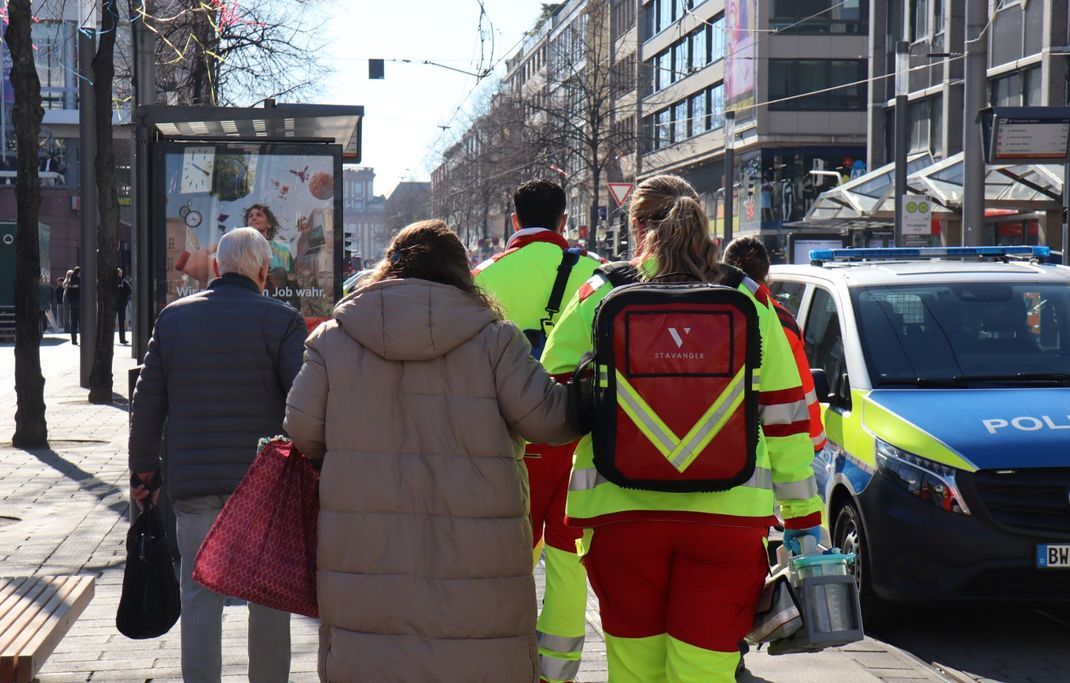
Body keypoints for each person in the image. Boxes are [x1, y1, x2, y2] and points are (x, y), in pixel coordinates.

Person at [540, 175, 823, 682]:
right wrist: (803, 520)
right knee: (703, 672)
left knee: (634, 670)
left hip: (620, 515)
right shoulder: (749, 299)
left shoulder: (601, 292)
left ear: (635, 226)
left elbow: (550, 388)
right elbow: (786, 415)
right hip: (729, 520)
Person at [284, 220, 579, 683]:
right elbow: (549, 420)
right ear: (461, 271)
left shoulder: (335, 340)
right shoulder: (496, 340)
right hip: (477, 553)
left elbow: (302, 429)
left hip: (366, 551)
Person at [128, 227, 307, 683]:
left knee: (199, 593)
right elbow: (300, 402)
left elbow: (148, 402)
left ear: (215, 267)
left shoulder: (174, 319)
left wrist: (144, 470)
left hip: (195, 486)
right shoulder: (282, 320)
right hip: (263, 488)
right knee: (268, 594)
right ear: (264, 271)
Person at [473, 179, 601, 683]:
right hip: (578, 441)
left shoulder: (482, 278)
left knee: (511, 558)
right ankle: (556, 674)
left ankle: (508, 666)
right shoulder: (595, 275)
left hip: (511, 442)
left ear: (512, 220)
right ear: (565, 221)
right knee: (570, 559)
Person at [723, 235, 826, 453]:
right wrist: (816, 440)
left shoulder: (712, 317)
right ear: (766, 275)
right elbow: (802, 391)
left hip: (719, 448)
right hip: (769, 450)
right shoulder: (785, 324)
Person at [65, 267, 81, 345]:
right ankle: (84, 338)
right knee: (81, 322)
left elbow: (67, 294)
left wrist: (71, 301)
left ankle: (74, 340)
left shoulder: (70, 281)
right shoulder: (80, 281)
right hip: (80, 304)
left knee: (73, 322)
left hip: (73, 304)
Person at [116, 268, 132, 344]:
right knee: (121, 321)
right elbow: (129, 291)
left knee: (110, 322)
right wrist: (124, 297)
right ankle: (122, 338)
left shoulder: (111, 282)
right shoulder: (124, 282)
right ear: (120, 273)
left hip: (113, 304)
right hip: (122, 304)